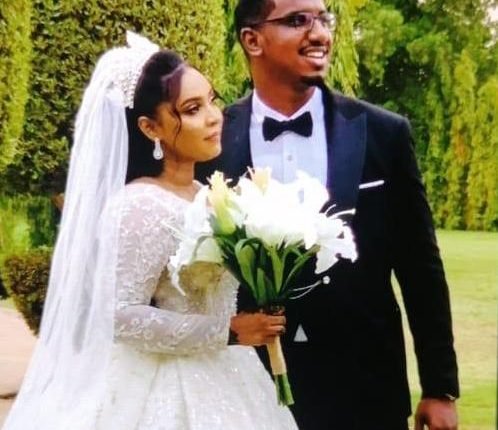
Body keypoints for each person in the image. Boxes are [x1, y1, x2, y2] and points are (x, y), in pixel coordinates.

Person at [4, 32, 298, 430]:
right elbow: (119, 313)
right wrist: (225, 331)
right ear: (150, 127)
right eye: (192, 109)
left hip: (231, 373)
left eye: (212, 100)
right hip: (167, 383)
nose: (214, 116)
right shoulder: (139, 204)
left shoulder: (205, 194)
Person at [195, 1, 460, 429]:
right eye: (298, 20)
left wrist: (439, 386)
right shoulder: (211, 141)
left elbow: (421, 266)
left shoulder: (384, 132)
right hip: (245, 389)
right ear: (252, 40)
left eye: (324, 19)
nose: (319, 33)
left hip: (365, 386)